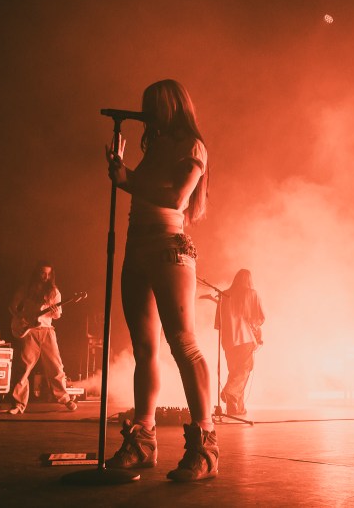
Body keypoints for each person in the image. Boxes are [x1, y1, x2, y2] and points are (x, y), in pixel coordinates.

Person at [104, 79, 218, 482]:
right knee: (144, 349)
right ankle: (143, 439)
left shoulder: (192, 144)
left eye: (153, 105)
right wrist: (124, 172)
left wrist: (127, 179)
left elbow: (177, 197)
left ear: (171, 105)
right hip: (137, 248)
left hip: (170, 247)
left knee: (183, 343)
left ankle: (204, 445)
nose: (147, 112)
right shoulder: (153, 146)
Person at [7, 261, 77, 414]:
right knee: (24, 368)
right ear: (37, 273)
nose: (45, 277)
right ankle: (18, 404)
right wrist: (21, 318)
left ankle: (65, 398)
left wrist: (53, 310)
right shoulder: (25, 289)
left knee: (56, 366)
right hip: (29, 332)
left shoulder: (54, 292)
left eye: (48, 274)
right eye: (42, 273)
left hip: (46, 331)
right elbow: (12, 306)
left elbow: (57, 315)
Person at [214, 269, 264, 416]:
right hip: (245, 338)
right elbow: (258, 318)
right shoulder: (251, 293)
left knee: (234, 372)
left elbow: (219, 322)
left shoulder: (224, 294)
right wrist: (257, 333)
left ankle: (236, 408)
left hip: (228, 340)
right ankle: (229, 392)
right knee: (244, 370)